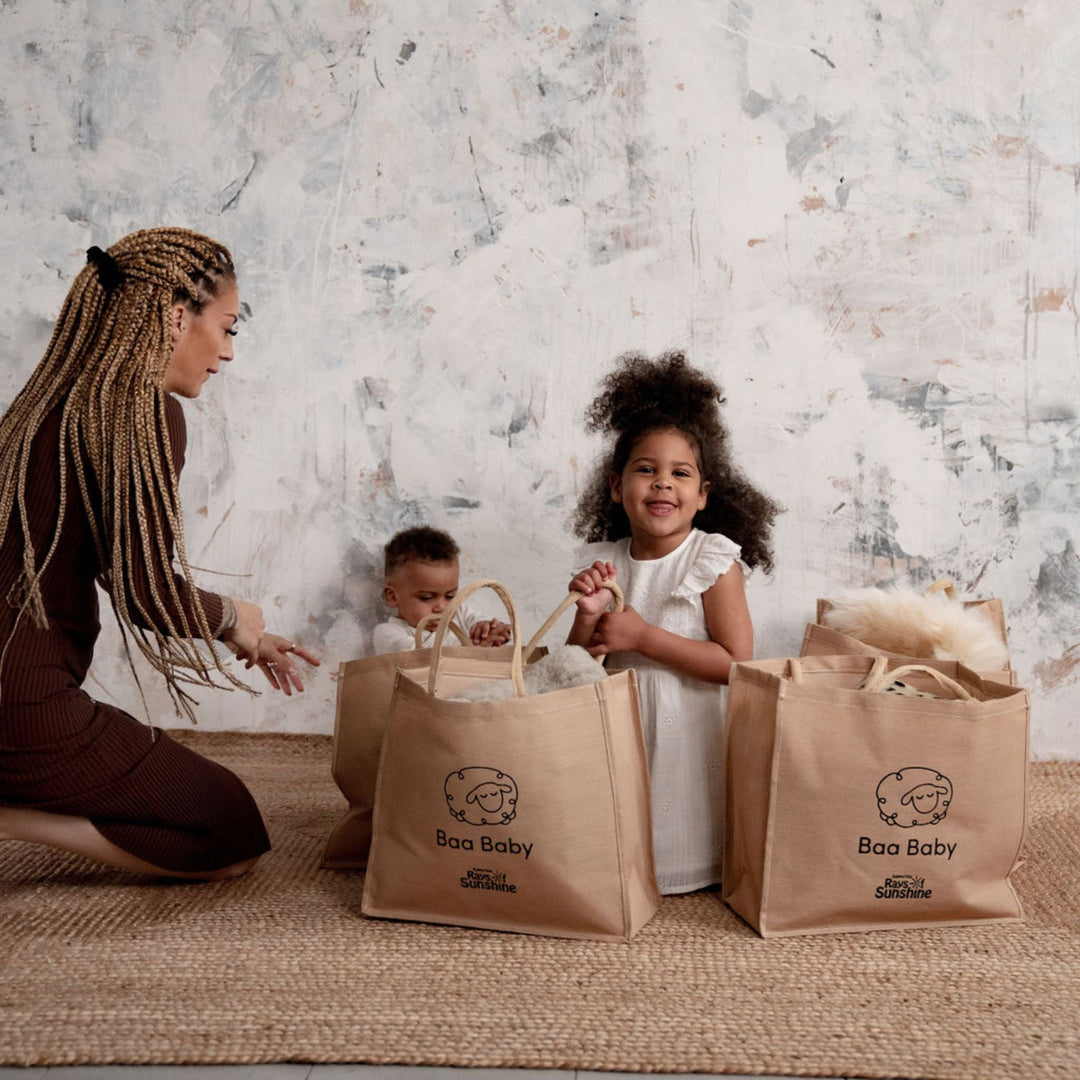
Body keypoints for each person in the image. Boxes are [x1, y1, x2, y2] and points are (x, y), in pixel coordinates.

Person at [0, 229, 318, 880]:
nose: (227, 353)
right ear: (178, 315)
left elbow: (118, 574)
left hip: (13, 695)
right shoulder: (139, 411)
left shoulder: (42, 404)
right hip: (17, 704)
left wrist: (232, 630)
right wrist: (233, 616)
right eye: (226, 328)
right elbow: (143, 590)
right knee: (230, 828)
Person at [567, 351, 780, 894]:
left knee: (682, 807)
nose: (663, 484)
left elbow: (736, 663)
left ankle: (693, 865)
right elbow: (573, 669)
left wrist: (642, 637)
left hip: (691, 727)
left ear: (703, 494)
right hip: (624, 722)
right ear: (616, 486)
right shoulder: (605, 561)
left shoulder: (712, 560)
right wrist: (588, 620)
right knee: (620, 817)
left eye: (680, 473)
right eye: (646, 469)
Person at [373, 526, 511, 654]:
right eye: (427, 598)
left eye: (450, 596)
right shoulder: (387, 633)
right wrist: (474, 646)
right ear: (392, 596)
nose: (442, 607)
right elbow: (420, 658)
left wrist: (489, 631)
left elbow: (481, 622)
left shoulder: (460, 613)